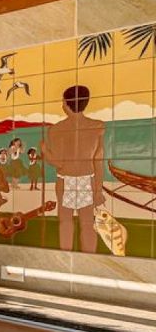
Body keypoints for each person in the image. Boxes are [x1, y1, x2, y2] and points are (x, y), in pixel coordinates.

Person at [40, 85, 106, 252]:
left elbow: (58, 162)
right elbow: (98, 161)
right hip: (87, 179)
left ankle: (66, 256)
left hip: (65, 180)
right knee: (87, 223)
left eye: (63, 101)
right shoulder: (97, 126)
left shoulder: (56, 130)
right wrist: (98, 190)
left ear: (67, 103)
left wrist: (45, 151)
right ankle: (89, 258)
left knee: (66, 222)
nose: (62, 104)